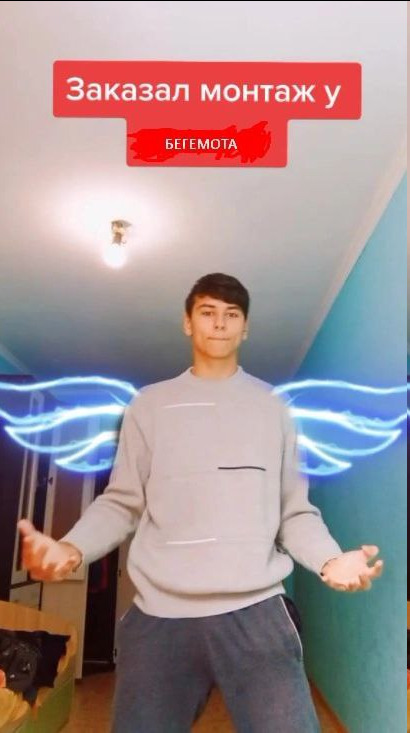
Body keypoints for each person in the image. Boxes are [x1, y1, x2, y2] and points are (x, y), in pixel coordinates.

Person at [18, 273, 384, 733]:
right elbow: (122, 502)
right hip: (161, 618)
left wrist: (329, 559)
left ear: (245, 328)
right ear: (188, 323)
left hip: (257, 613)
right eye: (208, 312)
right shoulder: (149, 405)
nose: (220, 324)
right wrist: (71, 548)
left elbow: (294, 512)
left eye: (232, 315)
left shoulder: (274, 408)